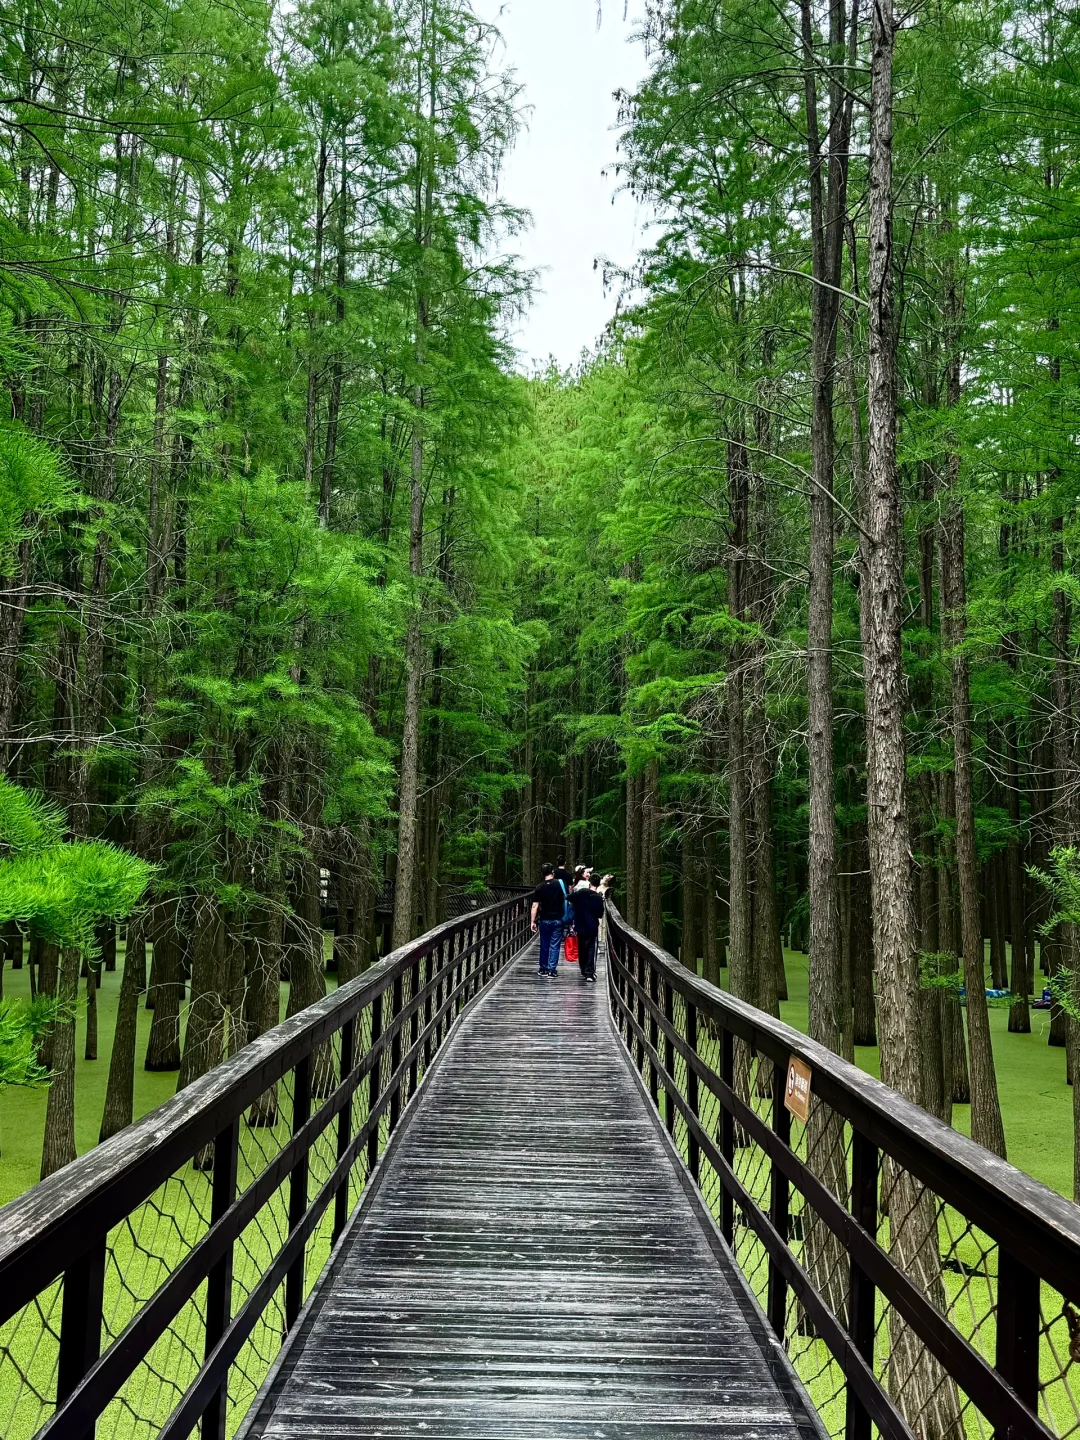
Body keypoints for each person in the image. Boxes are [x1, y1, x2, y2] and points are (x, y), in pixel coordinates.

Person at [530, 862, 568, 976]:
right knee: (555, 945)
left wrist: (532, 921)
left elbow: (535, 906)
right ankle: (552, 970)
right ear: (553, 872)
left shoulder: (539, 887)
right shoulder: (560, 884)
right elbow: (566, 898)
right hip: (558, 919)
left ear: (542, 873)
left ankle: (543, 968)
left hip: (544, 919)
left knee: (544, 944)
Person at [569, 871, 605, 982]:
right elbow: (600, 914)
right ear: (598, 884)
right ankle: (589, 973)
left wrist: (577, 905)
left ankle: (583, 970)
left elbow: (569, 897)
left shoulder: (582, 892)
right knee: (590, 949)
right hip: (592, 926)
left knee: (581, 948)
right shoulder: (599, 898)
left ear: (589, 882)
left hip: (580, 925)